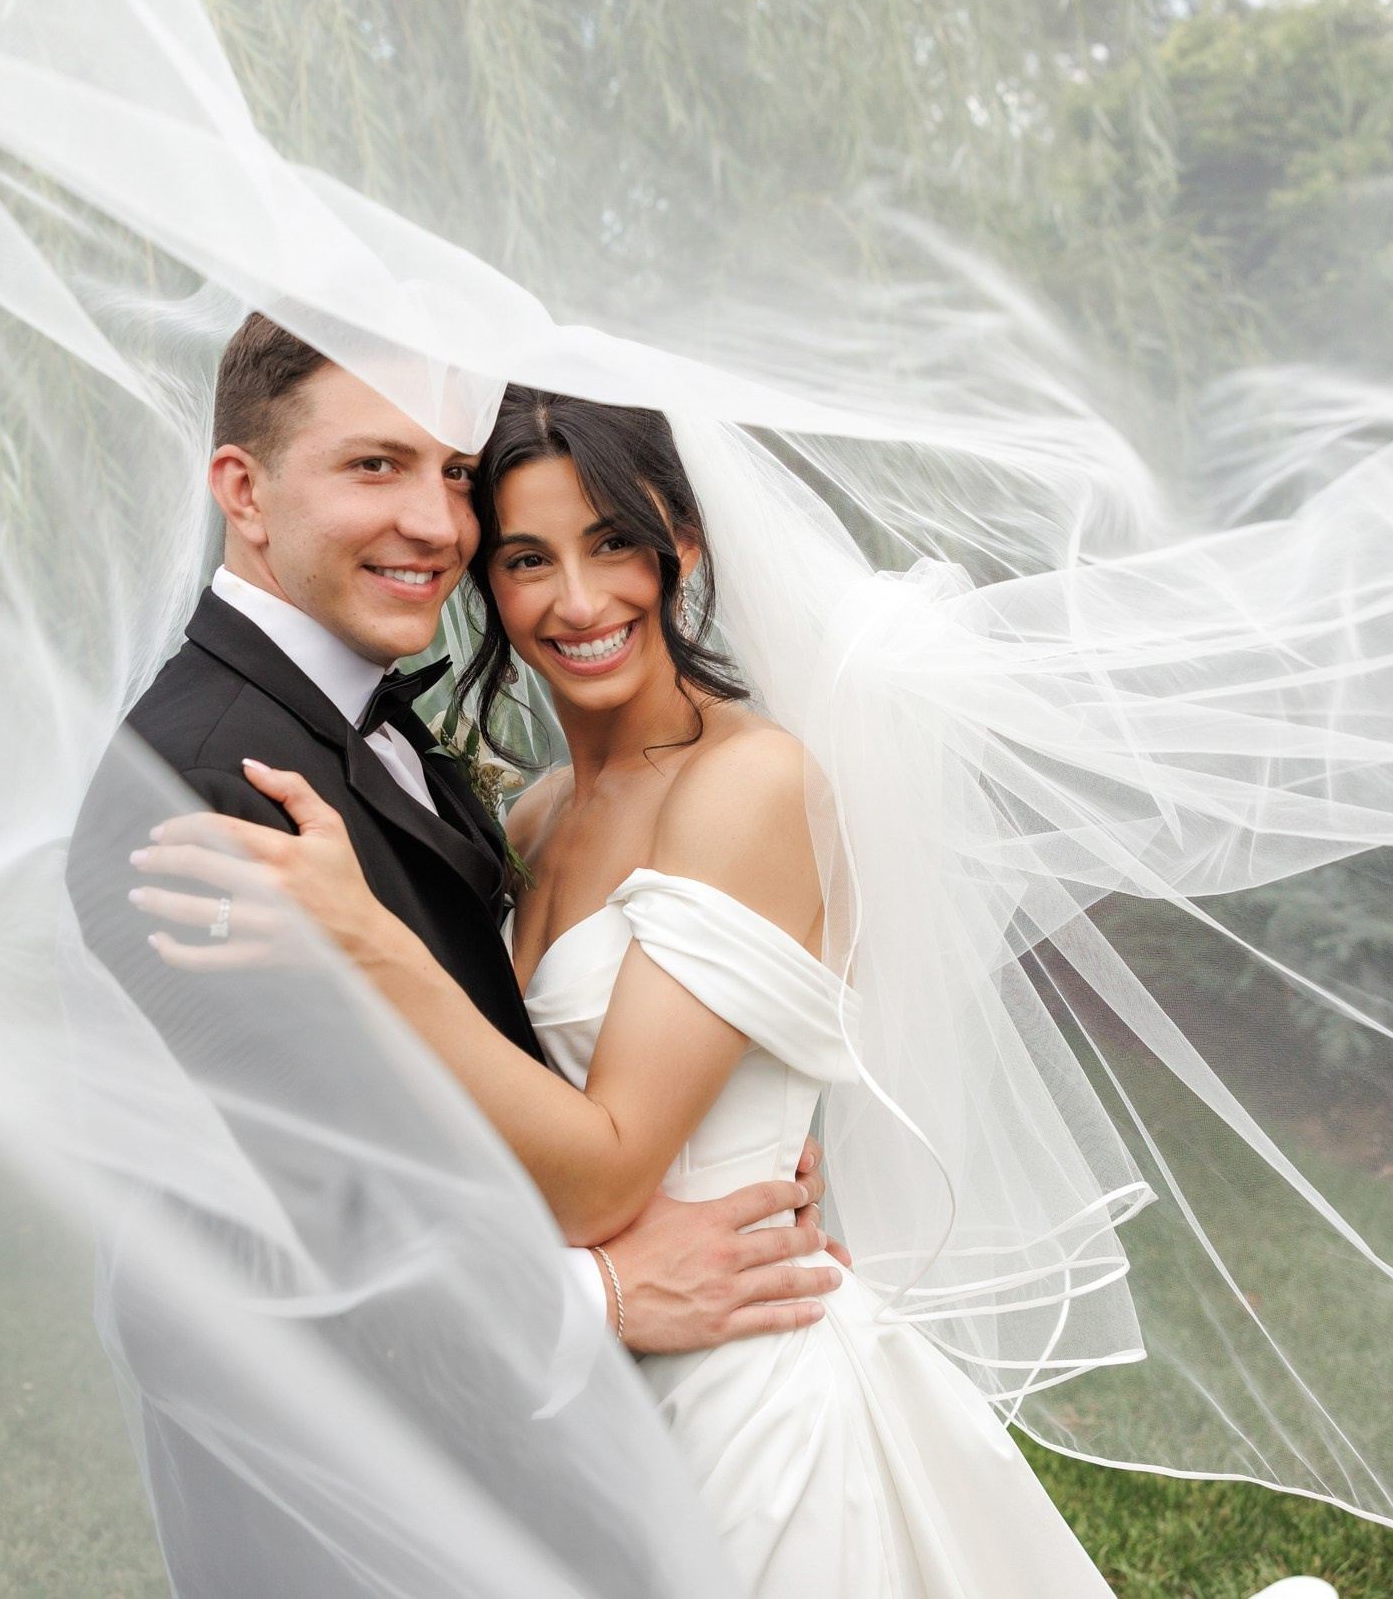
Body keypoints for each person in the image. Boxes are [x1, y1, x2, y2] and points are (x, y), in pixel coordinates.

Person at [134, 385, 1342, 1598]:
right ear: (485, 582)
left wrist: (368, 943)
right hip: (596, 1386)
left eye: (614, 542)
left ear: (684, 544)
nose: (578, 600)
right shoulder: (537, 814)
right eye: (526, 558)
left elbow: (608, 1167)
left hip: (746, 1389)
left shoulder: (747, 784)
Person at [66, 319, 852, 1591]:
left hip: (645, 1426)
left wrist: (740, 1154)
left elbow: (478, 1085)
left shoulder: (372, 736)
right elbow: (243, 1249)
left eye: (447, 473)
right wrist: (603, 1291)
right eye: (375, 466)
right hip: (365, 1522)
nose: (437, 522)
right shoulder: (212, 786)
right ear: (241, 491)